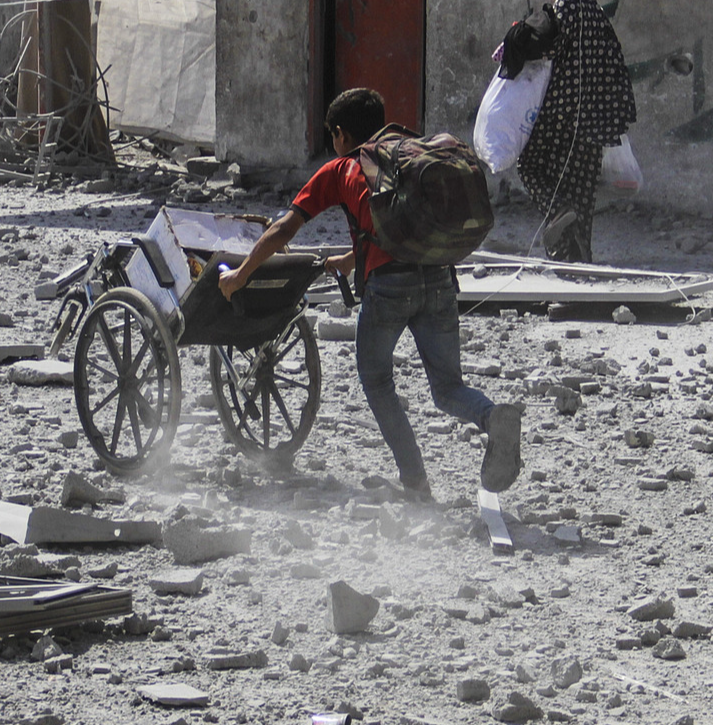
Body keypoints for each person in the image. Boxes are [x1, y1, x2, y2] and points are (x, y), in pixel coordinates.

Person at [218, 88, 523, 502]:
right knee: (448, 388)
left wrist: (240, 274)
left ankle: (415, 484)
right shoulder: (407, 156)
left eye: (332, 137)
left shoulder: (342, 168)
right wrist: (350, 258)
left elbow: (284, 229)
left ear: (341, 134)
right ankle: (491, 417)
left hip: (389, 291)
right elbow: (395, 225)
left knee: (377, 381)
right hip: (438, 279)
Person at [514, 0, 635, 263]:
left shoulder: (565, 6)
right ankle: (580, 261)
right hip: (594, 119)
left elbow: (550, 46)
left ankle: (558, 212)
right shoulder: (593, 9)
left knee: (530, 165)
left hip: (564, 113)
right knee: (581, 190)